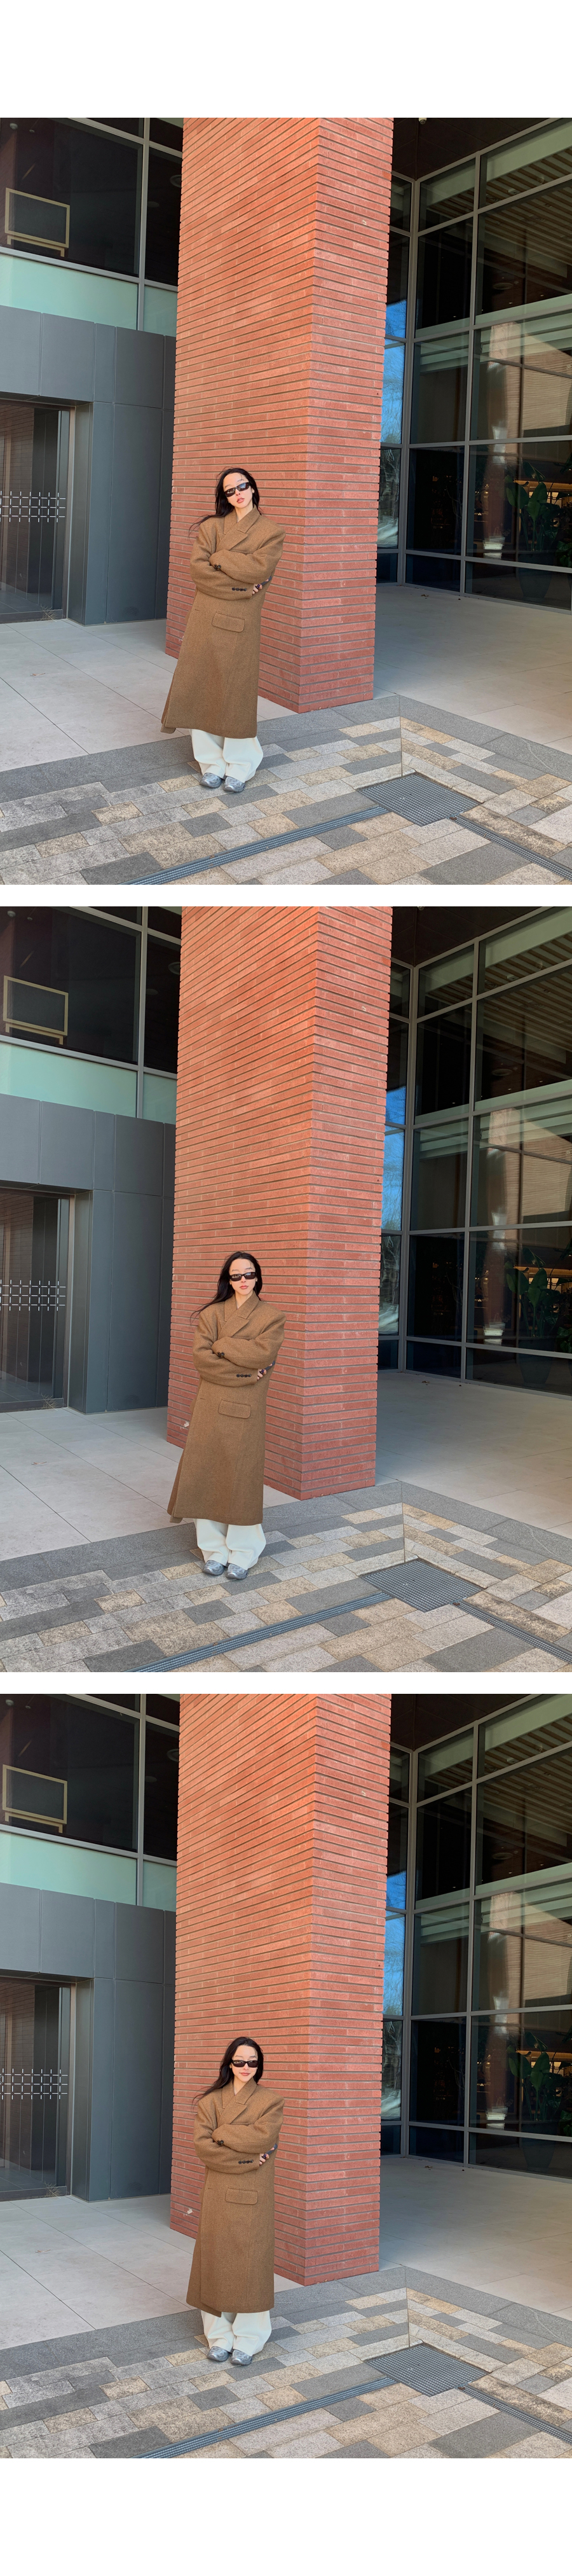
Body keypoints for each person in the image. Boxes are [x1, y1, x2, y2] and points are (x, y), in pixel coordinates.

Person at [161, 466, 284, 792]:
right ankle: (211, 764)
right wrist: (240, 587)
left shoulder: (271, 532)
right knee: (201, 687)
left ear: (253, 487)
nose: (237, 494)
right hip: (205, 618)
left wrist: (220, 557)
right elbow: (198, 572)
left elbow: (258, 569)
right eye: (230, 491)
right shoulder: (211, 527)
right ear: (225, 497)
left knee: (235, 693)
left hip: (242, 620)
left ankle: (241, 765)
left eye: (242, 486)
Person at [167, 1250, 285, 1578]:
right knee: (206, 1474)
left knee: (241, 1479)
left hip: (247, 1406)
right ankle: (213, 1550)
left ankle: (244, 1553)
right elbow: (202, 1360)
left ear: (258, 1277)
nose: (243, 1280)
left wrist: (222, 1345)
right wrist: (244, 1372)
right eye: (236, 1276)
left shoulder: (273, 1316)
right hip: (210, 1404)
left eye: (249, 1274)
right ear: (228, 1280)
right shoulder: (212, 1314)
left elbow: (262, 1354)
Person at [187, 2035, 284, 2364]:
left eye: (252, 2062)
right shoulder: (210, 2101)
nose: (246, 2067)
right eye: (240, 2061)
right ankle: (218, 2336)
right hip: (219, 2191)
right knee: (215, 2259)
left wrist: (222, 2132)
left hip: (255, 2192)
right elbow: (203, 2148)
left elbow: (263, 2138)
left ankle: (250, 2338)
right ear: (229, 2064)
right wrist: (247, 2159)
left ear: (260, 2065)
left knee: (251, 2263)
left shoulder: (271, 2100)